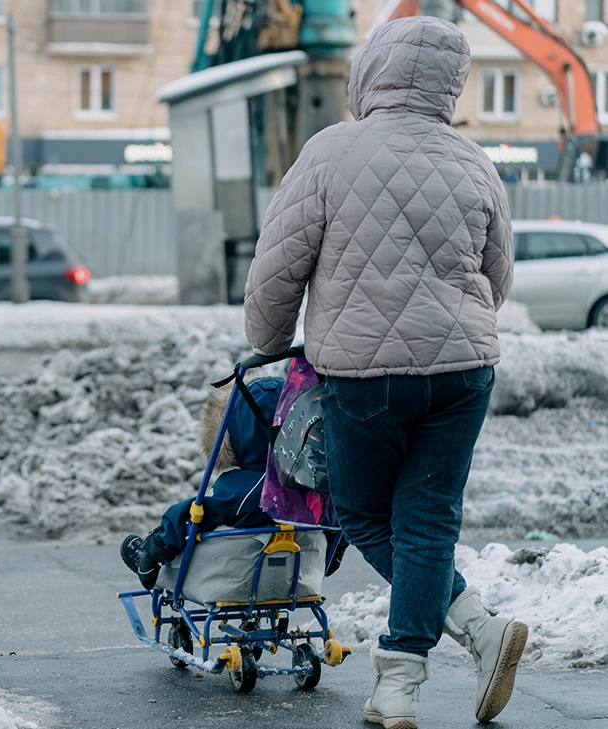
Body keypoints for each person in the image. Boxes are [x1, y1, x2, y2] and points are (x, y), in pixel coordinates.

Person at [243, 16, 525, 728]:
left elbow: (278, 263)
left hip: (365, 376)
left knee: (366, 514)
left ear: (373, 70)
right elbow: (499, 278)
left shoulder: (331, 151)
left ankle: (432, 660)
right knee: (428, 517)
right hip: (463, 370)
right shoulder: (473, 161)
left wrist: (269, 339)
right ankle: (438, 658)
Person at [120, 378, 282, 589]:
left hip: (245, 580)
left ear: (240, 432)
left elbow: (194, 514)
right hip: (300, 576)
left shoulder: (246, 487)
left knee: (195, 518)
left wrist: (155, 549)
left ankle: (150, 557)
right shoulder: (313, 485)